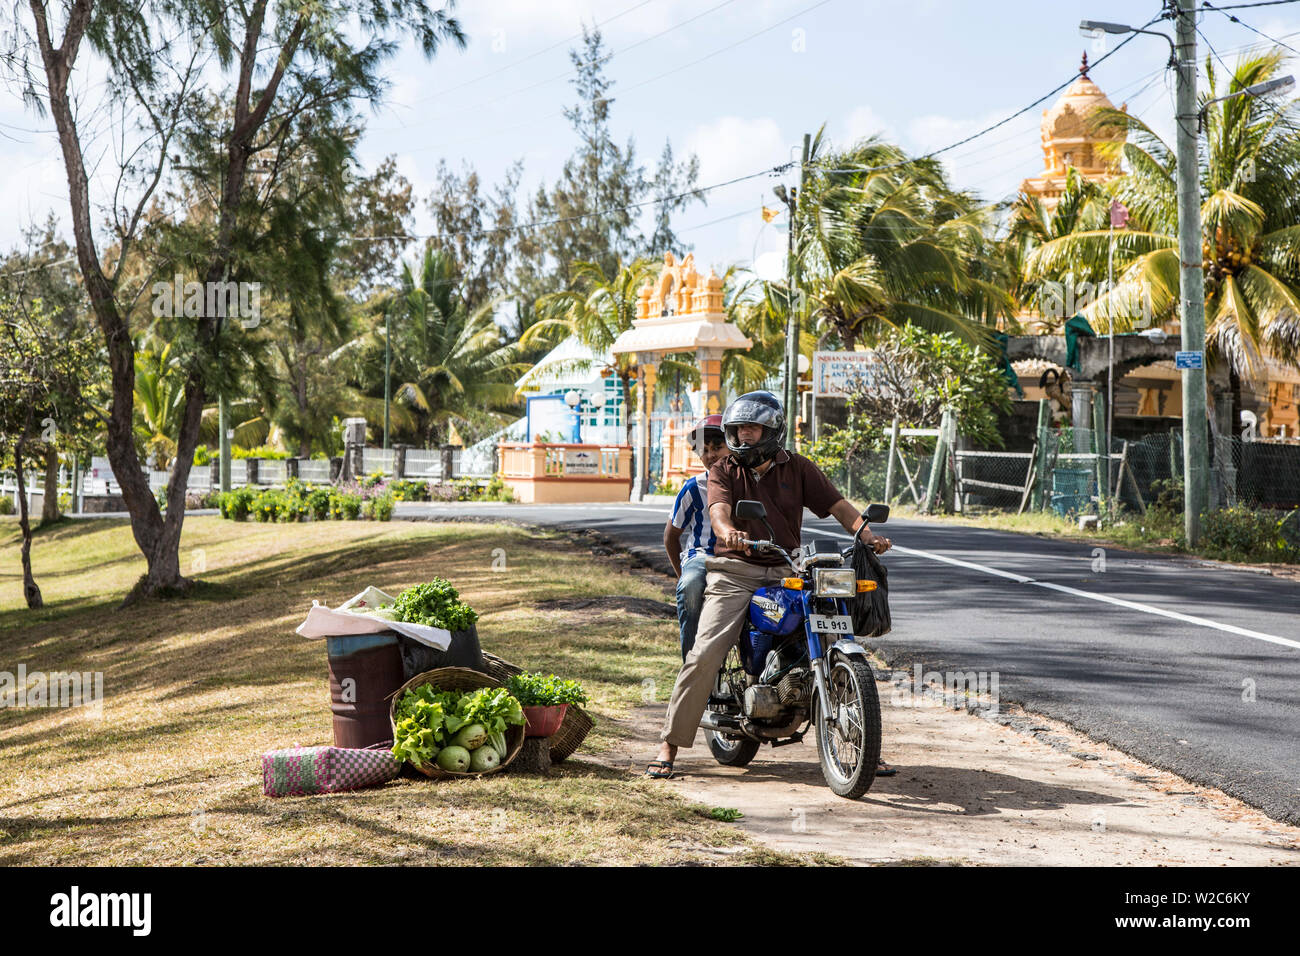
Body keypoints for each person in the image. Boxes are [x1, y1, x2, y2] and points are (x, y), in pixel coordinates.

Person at [645, 390, 895, 780]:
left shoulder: (798, 468)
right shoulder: (724, 469)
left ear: (772, 430)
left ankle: (865, 745)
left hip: (787, 567)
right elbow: (719, 513)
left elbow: (838, 507)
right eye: (738, 428)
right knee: (706, 652)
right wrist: (729, 534)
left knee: (829, 631)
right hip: (734, 570)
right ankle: (669, 745)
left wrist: (865, 533)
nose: (743, 435)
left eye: (751, 427)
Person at [663, 415, 728, 660]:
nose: (711, 455)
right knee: (690, 588)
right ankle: (691, 666)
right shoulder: (693, 488)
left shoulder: (749, 483)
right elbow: (671, 536)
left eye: (717, 447)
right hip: (702, 556)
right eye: (704, 450)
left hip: (742, 558)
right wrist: (682, 574)